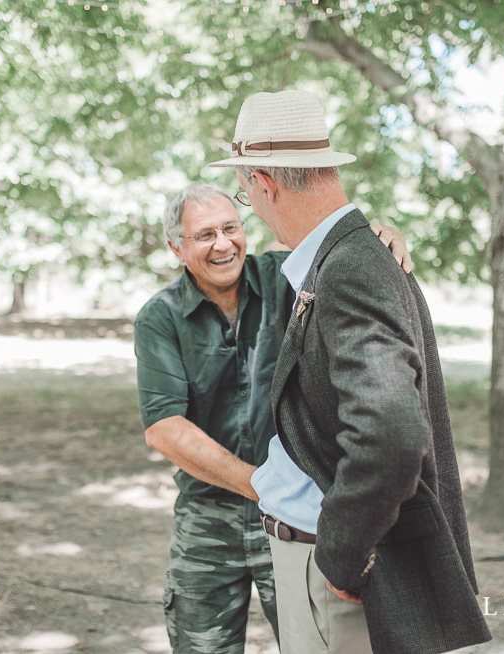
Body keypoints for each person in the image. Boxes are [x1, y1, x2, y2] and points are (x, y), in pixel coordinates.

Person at [209, 90, 493, 654]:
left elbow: (391, 434)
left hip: (330, 571)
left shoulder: (350, 269)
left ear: (265, 185)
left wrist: (342, 555)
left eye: (245, 195)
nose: (252, 210)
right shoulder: (347, 256)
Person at [134, 183, 411, 653]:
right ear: (176, 248)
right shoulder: (159, 317)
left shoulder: (290, 280)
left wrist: (379, 238)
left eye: (230, 228)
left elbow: (342, 257)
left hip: (295, 515)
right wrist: (261, 483)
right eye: (204, 235)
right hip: (207, 518)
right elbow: (164, 428)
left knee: (316, 643)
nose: (223, 244)